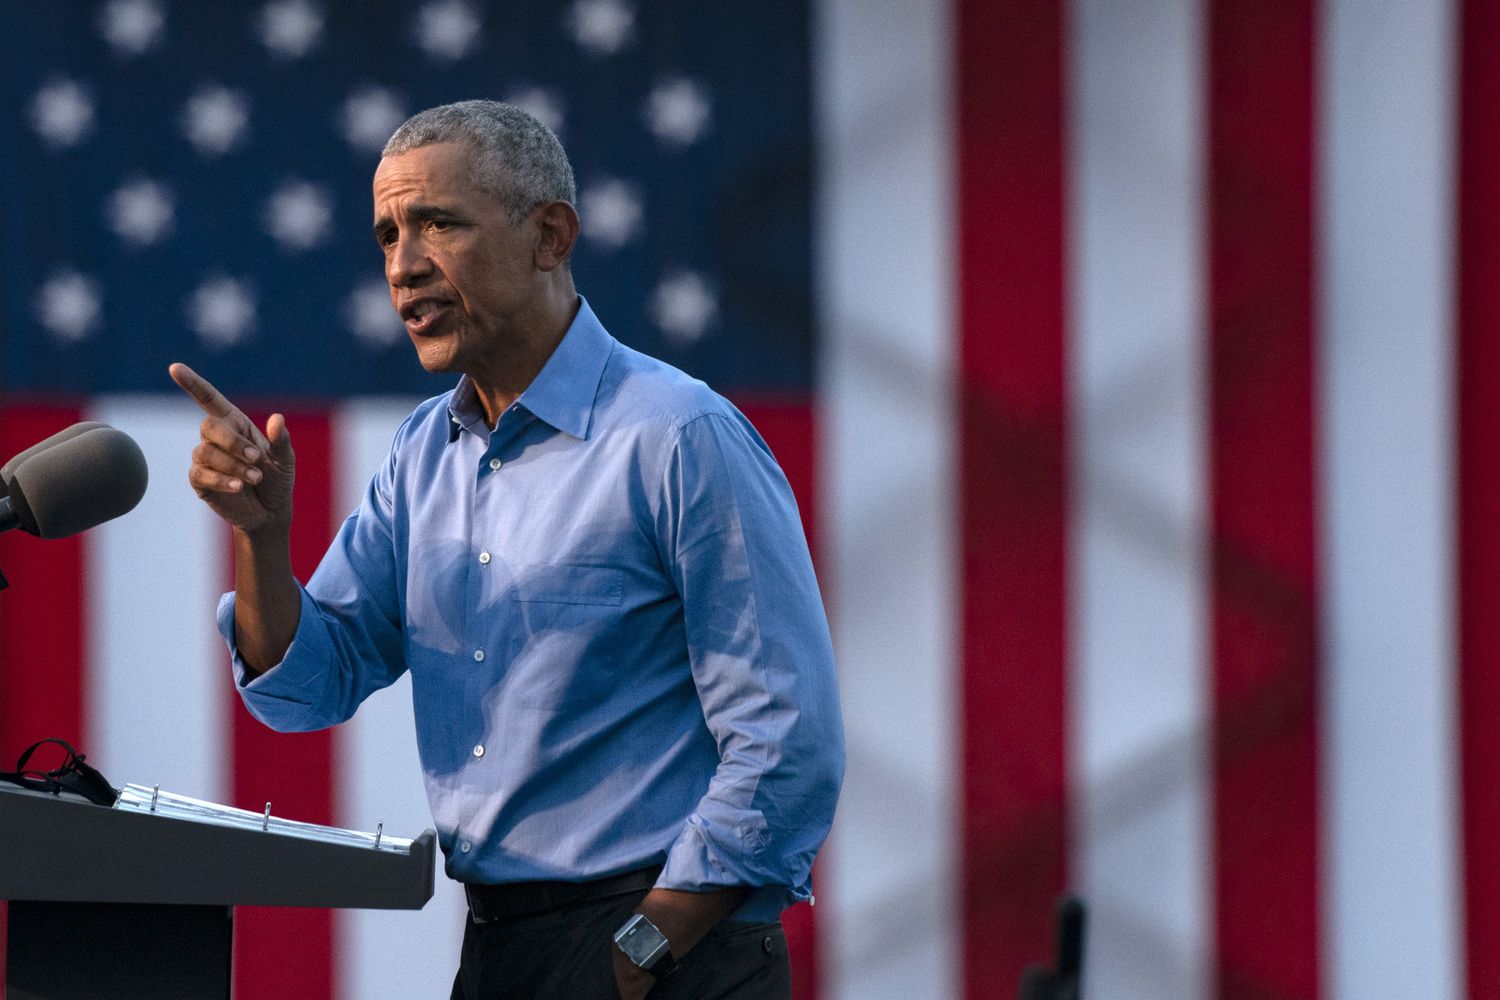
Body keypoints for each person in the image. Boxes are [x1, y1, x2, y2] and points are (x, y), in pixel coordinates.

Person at [169, 100, 844, 1000]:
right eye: (386, 235)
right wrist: (261, 538)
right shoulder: (421, 455)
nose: (403, 267)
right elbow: (306, 687)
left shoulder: (679, 437)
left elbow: (788, 742)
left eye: (437, 224)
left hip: (665, 951)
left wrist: (647, 945)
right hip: (499, 950)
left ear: (550, 236)